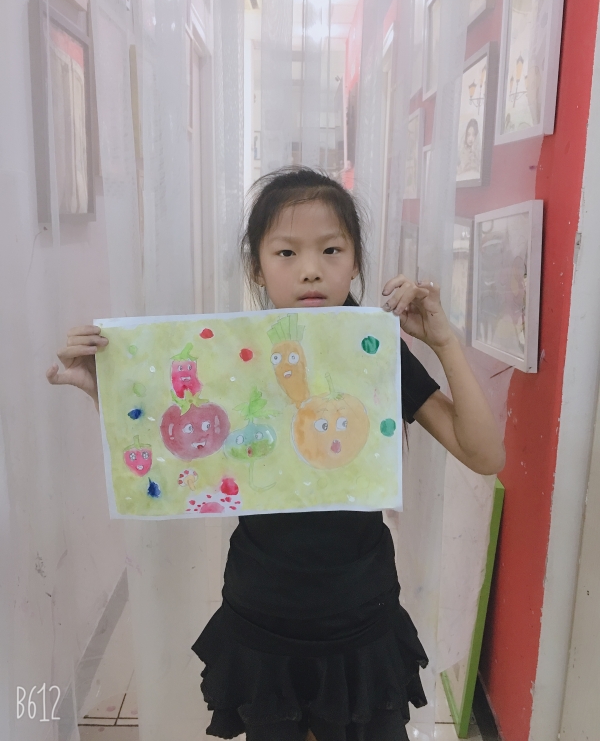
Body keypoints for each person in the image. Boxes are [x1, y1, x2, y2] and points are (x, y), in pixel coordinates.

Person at [47, 167, 505, 741]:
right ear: (257, 268)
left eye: (331, 250)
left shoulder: (373, 350)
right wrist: (110, 393)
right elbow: (182, 454)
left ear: (355, 263)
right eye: (286, 252)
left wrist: (444, 342)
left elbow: (483, 454)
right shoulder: (234, 358)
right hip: (262, 615)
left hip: (361, 615)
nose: (310, 268)